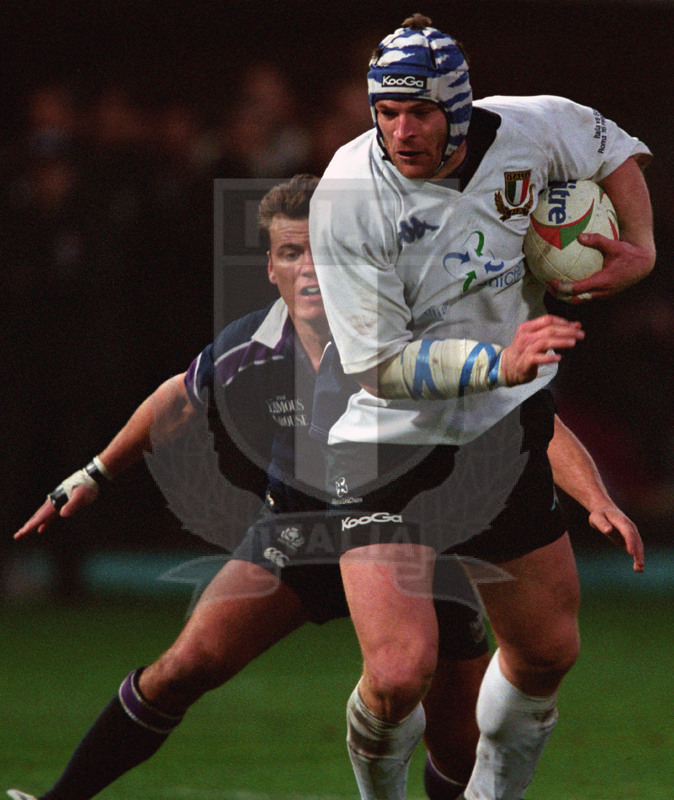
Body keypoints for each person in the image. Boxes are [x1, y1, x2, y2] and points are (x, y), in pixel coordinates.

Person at [7, 174, 642, 800]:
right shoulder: (248, 347)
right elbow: (175, 401)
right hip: (303, 531)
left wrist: (597, 498)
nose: (310, 269)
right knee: (184, 666)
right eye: (291, 253)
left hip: (411, 539)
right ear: (270, 269)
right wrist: (93, 474)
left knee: (454, 739)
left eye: (324, 251)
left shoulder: (413, 331)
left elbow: (524, 413)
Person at [308, 14, 652, 800]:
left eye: (420, 111)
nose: (401, 129)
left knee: (547, 655)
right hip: (385, 447)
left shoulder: (534, 127)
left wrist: (642, 243)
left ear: (458, 108)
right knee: (398, 676)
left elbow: (610, 146)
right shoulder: (349, 194)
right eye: (387, 112)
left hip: (499, 435)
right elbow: (377, 364)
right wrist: (498, 360)